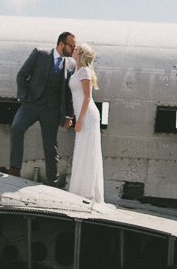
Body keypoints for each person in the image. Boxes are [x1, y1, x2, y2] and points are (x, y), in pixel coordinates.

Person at [9, 30, 75, 182]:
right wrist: (24, 97)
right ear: (61, 44)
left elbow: (68, 93)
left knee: (50, 145)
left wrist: (68, 115)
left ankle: (53, 180)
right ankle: (14, 168)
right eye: (72, 46)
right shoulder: (40, 54)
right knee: (16, 128)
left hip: (51, 110)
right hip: (31, 105)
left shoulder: (71, 64)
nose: (73, 49)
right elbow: (22, 75)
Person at [67, 44, 105, 202]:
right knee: (82, 150)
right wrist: (73, 116)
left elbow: (87, 98)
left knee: (87, 151)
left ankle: (87, 192)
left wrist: (79, 120)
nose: (74, 50)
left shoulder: (84, 71)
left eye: (76, 49)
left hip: (88, 116)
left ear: (81, 53)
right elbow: (77, 98)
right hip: (83, 114)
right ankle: (80, 190)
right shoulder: (77, 70)